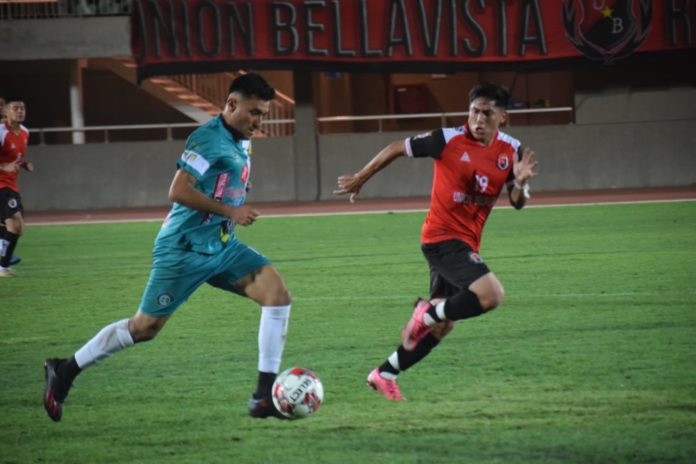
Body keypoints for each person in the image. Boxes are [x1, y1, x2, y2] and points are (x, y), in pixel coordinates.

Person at [43, 73, 292, 421]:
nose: (258, 121)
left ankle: (263, 398)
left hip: (221, 246)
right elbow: (178, 191)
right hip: (184, 250)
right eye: (253, 112)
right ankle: (64, 371)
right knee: (145, 328)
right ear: (231, 105)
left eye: (263, 114)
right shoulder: (208, 140)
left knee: (277, 296)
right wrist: (230, 210)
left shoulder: (241, 139)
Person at [334, 83, 538, 400]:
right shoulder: (447, 139)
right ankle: (426, 314)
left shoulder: (513, 150)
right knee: (491, 295)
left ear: (503, 117)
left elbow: (516, 202)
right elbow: (395, 147)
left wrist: (521, 185)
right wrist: (361, 177)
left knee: (444, 325)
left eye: (487, 113)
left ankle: (384, 373)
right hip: (441, 238)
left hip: (466, 243)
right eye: (474, 111)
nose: (478, 119)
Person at [0, 97, 32, 276]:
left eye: (23, 108)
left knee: (10, 226)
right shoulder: (1, 131)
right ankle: (2, 266)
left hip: (11, 184)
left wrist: (24, 164)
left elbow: (13, 158)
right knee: (16, 226)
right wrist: (3, 167)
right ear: (6, 111)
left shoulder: (25, 132)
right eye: (15, 108)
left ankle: (3, 264)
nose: (20, 111)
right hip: (1, 185)